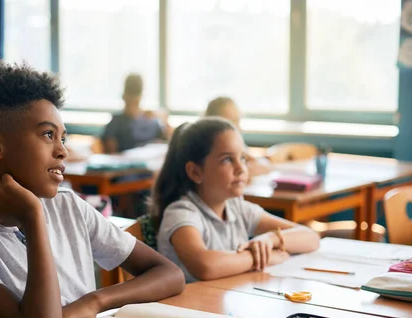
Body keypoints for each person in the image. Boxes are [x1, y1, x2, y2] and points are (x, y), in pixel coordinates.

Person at [0, 59, 185, 318]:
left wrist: (95, 301)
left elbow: (169, 274)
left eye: (63, 137)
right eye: (48, 135)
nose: (62, 150)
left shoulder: (68, 207)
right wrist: (33, 216)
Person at [152, 118, 320, 283]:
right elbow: (205, 265)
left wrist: (270, 239)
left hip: (224, 302)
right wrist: (261, 257)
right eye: (227, 159)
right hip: (186, 308)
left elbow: (310, 237)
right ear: (195, 172)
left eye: (243, 158)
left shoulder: (237, 208)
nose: (241, 169)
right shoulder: (181, 212)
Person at [102, 74, 169, 154]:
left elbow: (167, 144)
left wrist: (161, 117)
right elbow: (112, 154)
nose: (132, 102)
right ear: (124, 97)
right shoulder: (115, 124)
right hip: (126, 163)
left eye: (135, 99)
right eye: (130, 98)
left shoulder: (153, 121)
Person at [205, 97, 271, 177]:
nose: (239, 129)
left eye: (238, 121)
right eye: (233, 122)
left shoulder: (237, 145)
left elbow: (257, 164)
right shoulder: (211, 152)